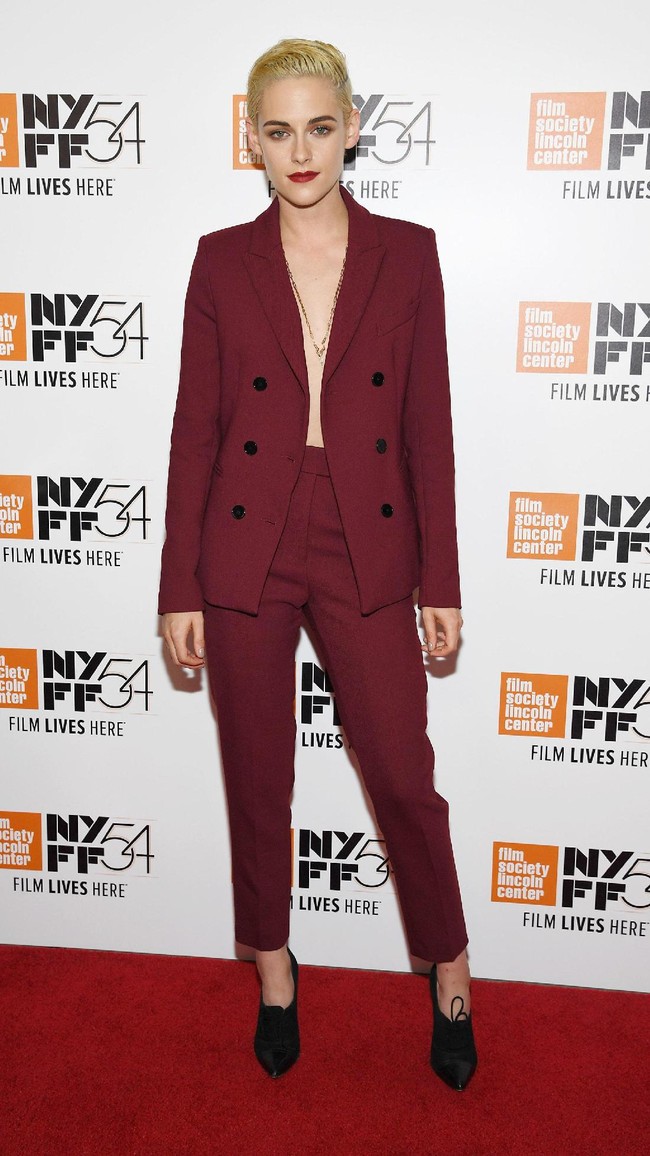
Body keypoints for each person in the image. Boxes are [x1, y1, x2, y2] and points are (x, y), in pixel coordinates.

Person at [159, 38, 477, 1090]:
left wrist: (442, 580)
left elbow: (426, 427)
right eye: (278, 130)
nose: (301, 151)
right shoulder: (217, 258)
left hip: (366, 531)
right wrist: (176, 585)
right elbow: (193, 433)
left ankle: (450, 965)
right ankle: (274, 968)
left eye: (319, 126)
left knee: (398, 769)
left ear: (351, 126)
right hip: (244, 537)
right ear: (250, 139)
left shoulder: (409, 252)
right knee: (257, 777)